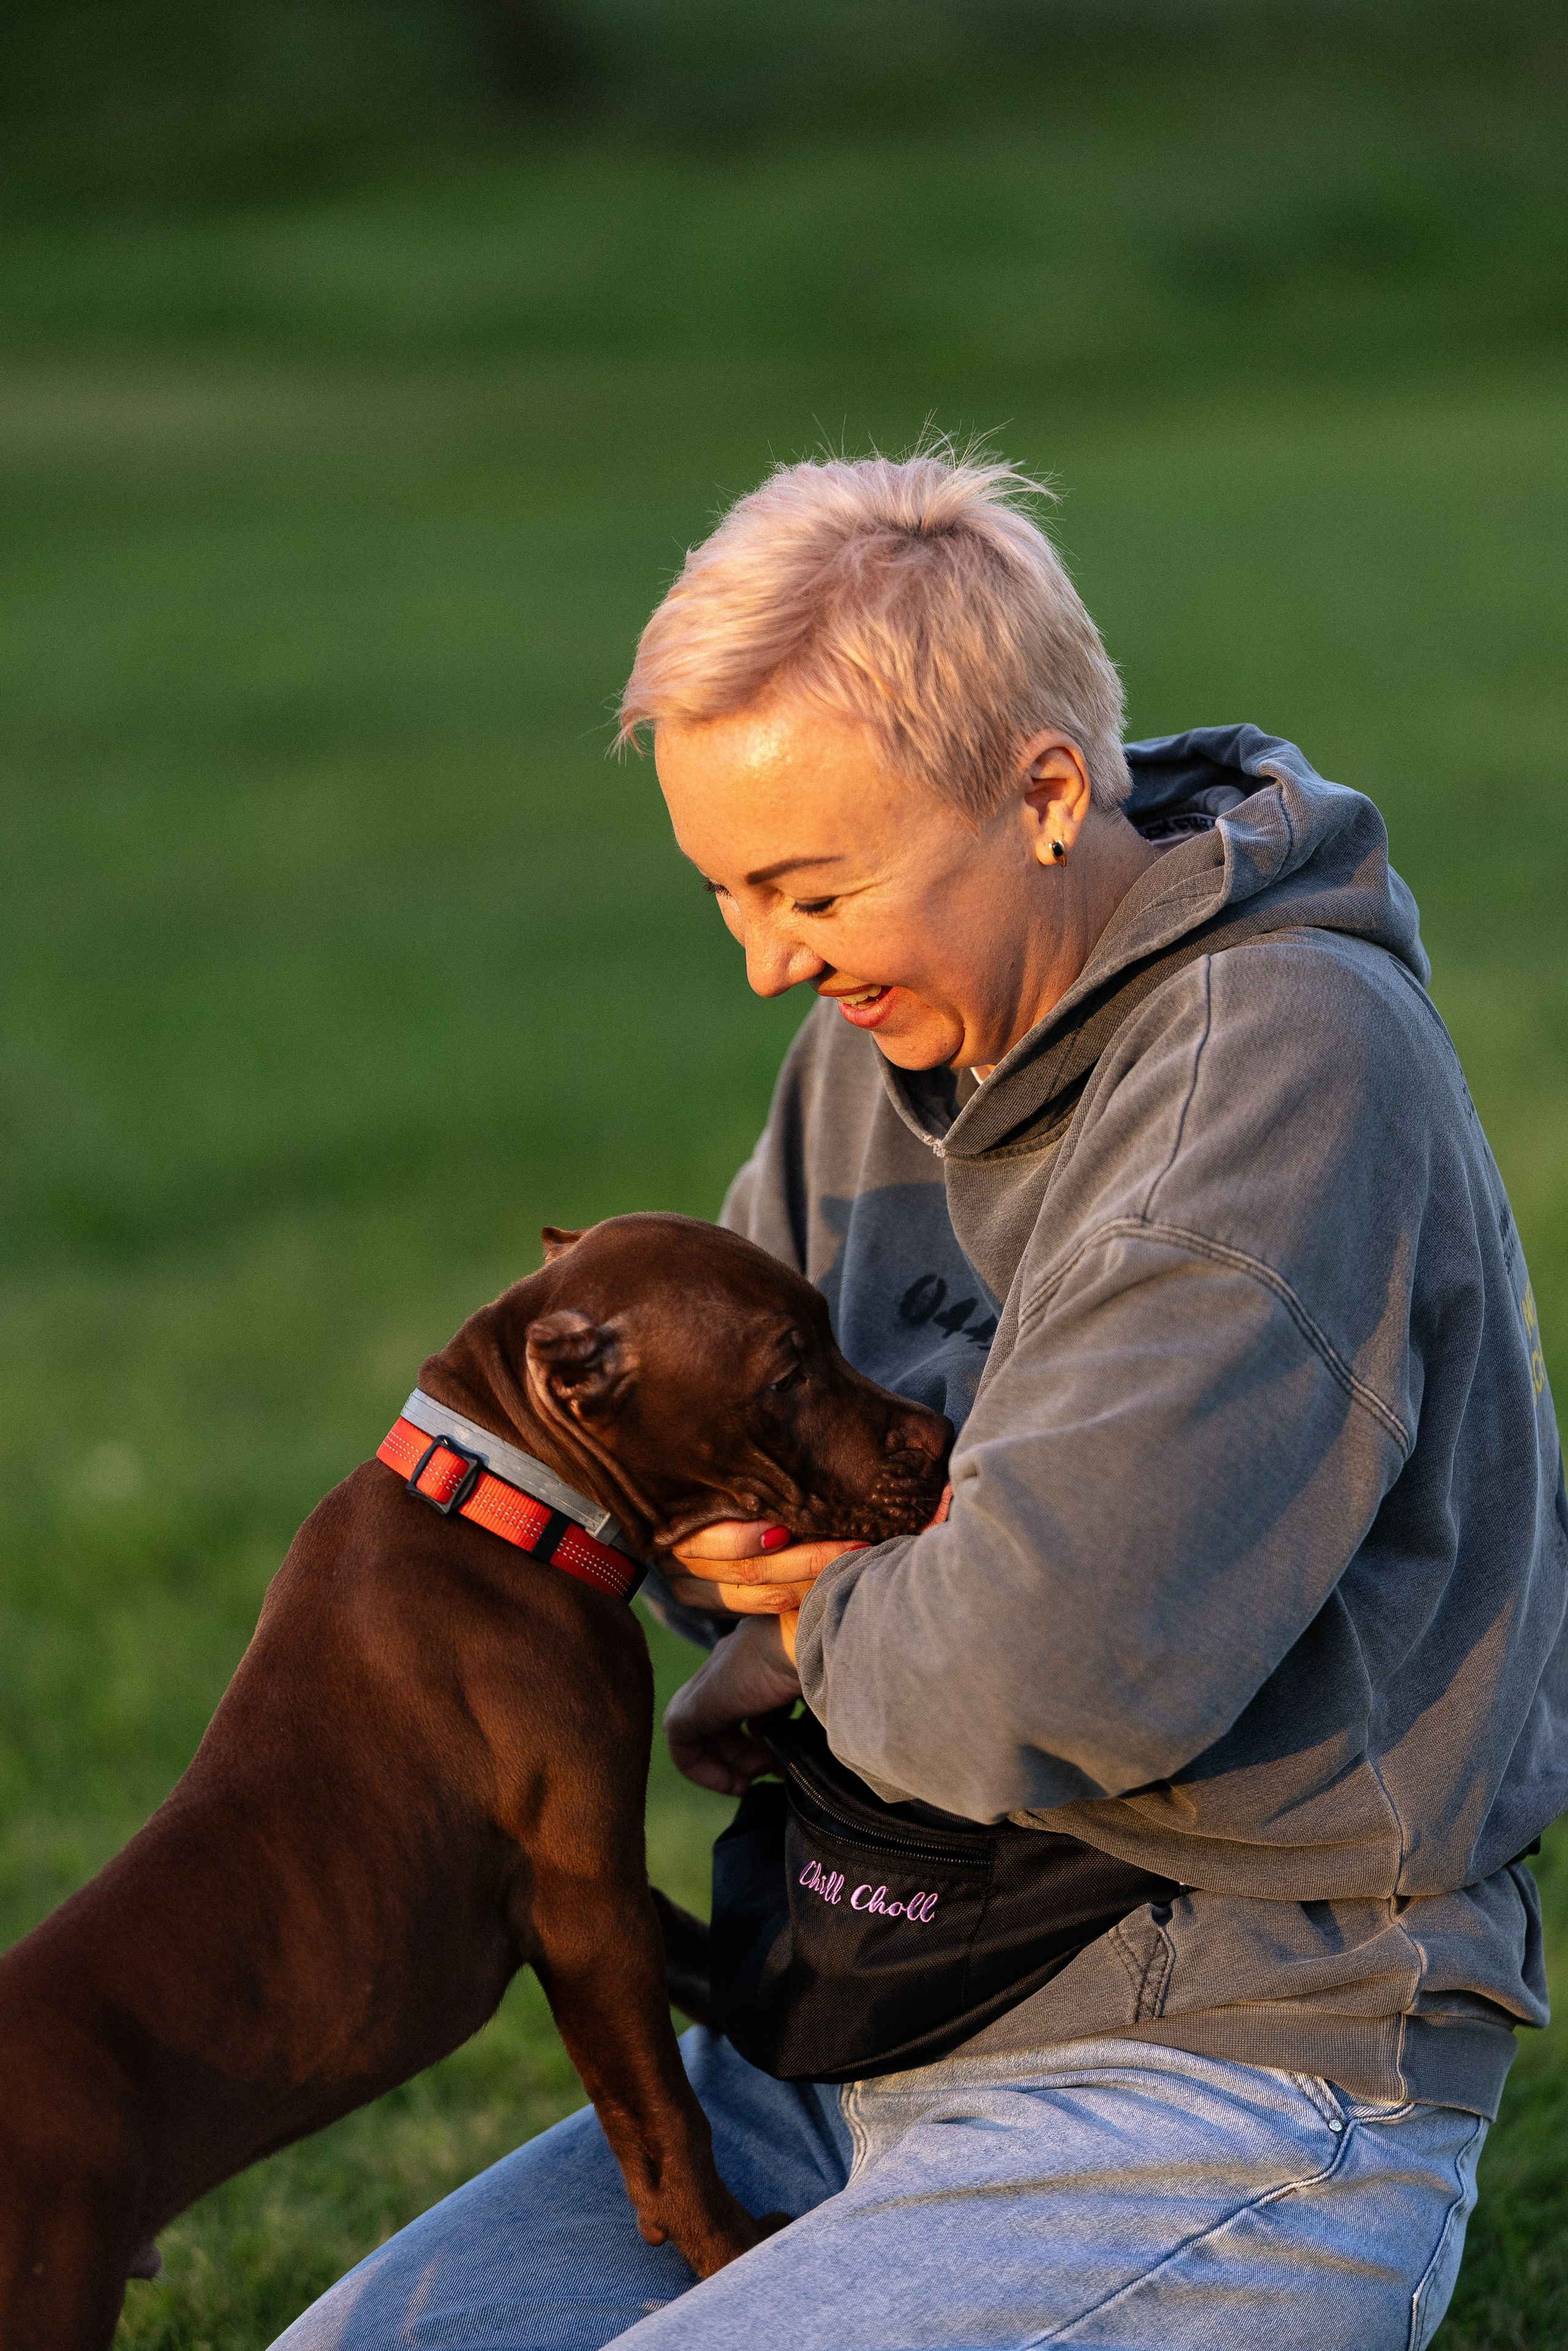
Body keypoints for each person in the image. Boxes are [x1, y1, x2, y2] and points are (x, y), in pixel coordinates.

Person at [274, 449, 1566, 2350]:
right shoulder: (876, 1039)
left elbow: (1038, 1672)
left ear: (1047, 794)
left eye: (808, 888)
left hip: (1209, 2076)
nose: (764, 960)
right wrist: (860, 1579)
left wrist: (818, 1610)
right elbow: (690, 1514)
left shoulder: (1276, 1079)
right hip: (839, 2029)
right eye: (728, 890)